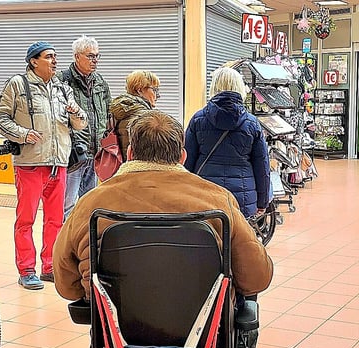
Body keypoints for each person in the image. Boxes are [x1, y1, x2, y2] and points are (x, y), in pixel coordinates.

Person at [52, 110, 273, 304]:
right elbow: (257, 277)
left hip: (115, 335)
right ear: (182, 157)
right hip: (206, 335)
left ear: (130, 155)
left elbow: (67, 287)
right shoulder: (218, 200)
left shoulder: (91, 204)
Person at [0, 41, 88, 290]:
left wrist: (76, 112)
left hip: (59, 163)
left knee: (55, 220)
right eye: (49, 57)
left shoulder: (62, 89)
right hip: (30, 164)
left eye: (56, 56)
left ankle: (49, 267)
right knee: (26, 220)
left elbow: (80, 124)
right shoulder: (18, 85)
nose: (55, 61)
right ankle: (26, 270)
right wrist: (22, 134)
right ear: (34, 61)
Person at [185, 67, 270, 219]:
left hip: (204, 193)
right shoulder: (252, 123)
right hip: (242, 198)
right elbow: (262, 166)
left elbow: (186, 160)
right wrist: (262, 202)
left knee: (207, 237)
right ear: (239, 87)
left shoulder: (198, 119)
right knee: (239, 239)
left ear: (214, 87)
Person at [62, 35, 112, 220]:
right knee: (67, 204)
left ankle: (85, 241)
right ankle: (66, 245)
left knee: (89, 202)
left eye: (97, 56)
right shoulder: (62, 80)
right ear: (77, 56)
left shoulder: (100, 81)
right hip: (73, 154)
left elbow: (108, 112)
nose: (95, 60)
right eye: (91, 56)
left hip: (95, 151)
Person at [110, 70, 159, 160]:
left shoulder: (120, 111)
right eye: (154, 90)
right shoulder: (145, 117)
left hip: (121, 169)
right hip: (139, 169)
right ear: (139, 90)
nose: (158, 95)